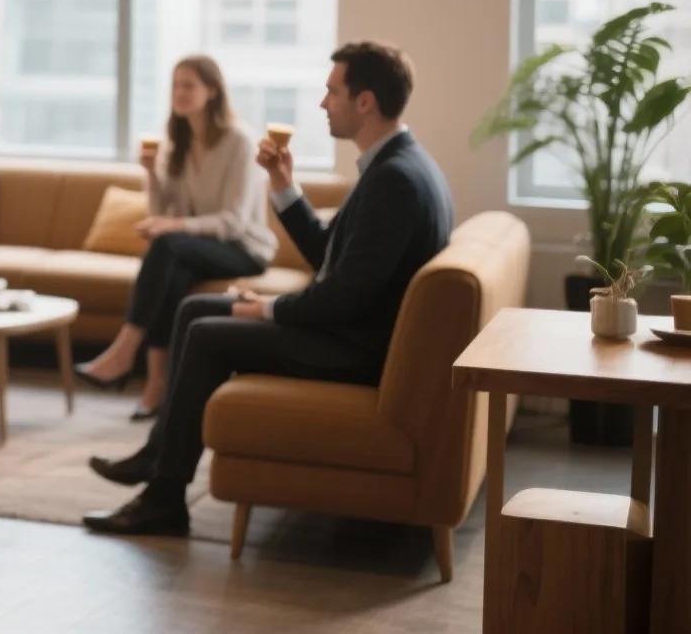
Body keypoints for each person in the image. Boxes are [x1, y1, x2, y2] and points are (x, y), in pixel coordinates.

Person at [82, 41, 452, 537]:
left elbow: (344, 295)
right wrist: (283, 185)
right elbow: (329, 257)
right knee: (195, 309)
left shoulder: (395, 181)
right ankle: (156, 458)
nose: (323, 104)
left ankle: (165, 498)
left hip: (354, 348)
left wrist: (269, 310)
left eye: (332, 92)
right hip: (350, 329)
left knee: (209, 333)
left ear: (365, 102)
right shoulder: (393, 166)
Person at [76, 56, 277, 421]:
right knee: (170, 269)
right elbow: (161, 210)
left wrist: (173, 228)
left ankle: (124, 353)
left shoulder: (240, 142)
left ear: (212, 91)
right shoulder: (179, 139)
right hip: (195, 248)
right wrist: (151, 174)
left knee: (167, 244)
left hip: (244, 249)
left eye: (189, 85)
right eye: (175, 86)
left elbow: (233, 222)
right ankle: (156, 386)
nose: (179, 93)